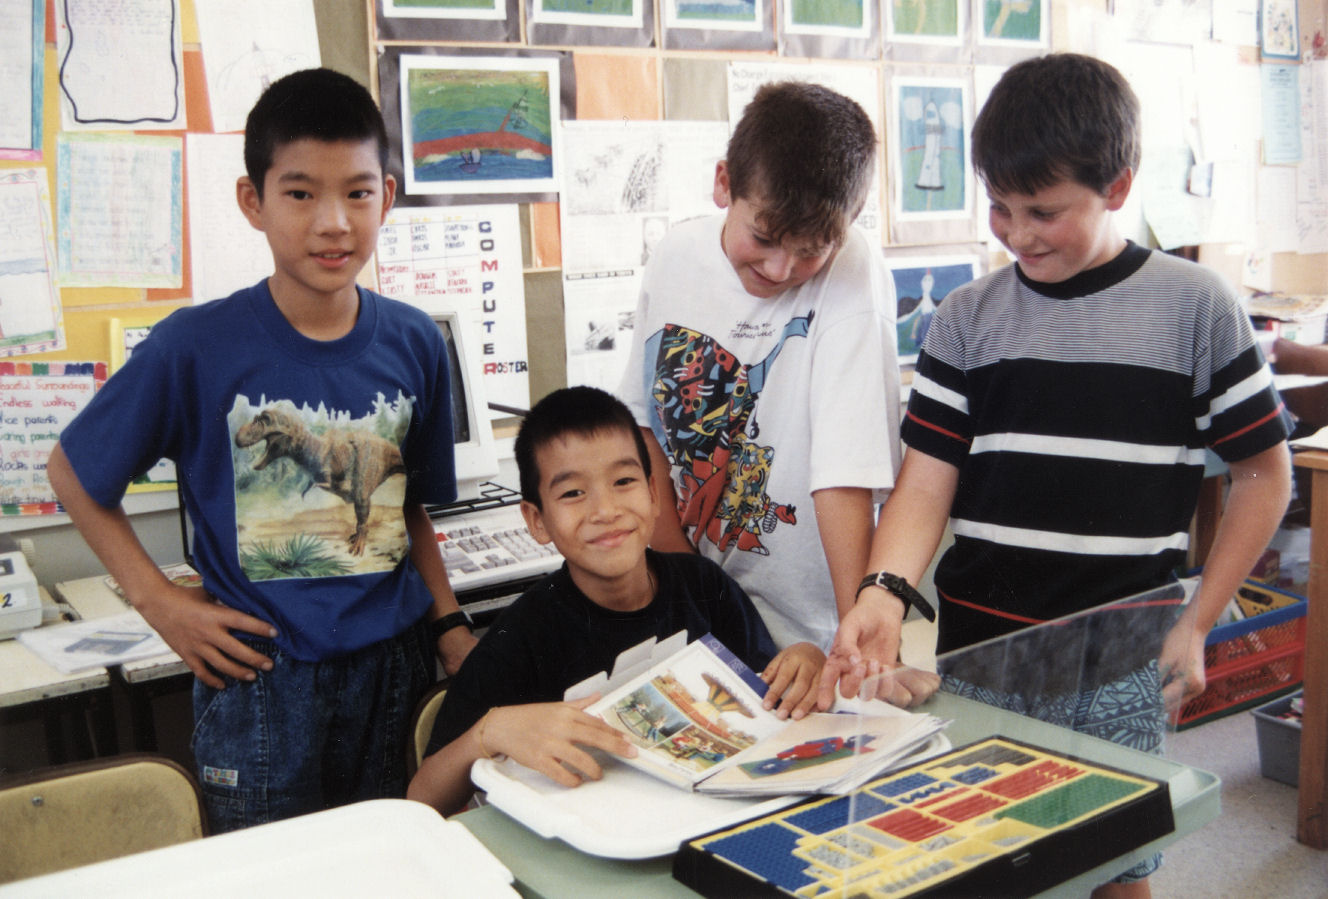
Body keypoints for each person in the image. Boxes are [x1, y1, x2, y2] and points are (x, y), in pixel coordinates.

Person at [819, 53, 1291, 897]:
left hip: (1121, 654)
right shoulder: (965, 318)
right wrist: (882, 591)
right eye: (999, 208)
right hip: (983, 652)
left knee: (1115, 860)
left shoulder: (1197, 306)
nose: (1018, 232)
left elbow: (1264, 475)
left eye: (1043, 210)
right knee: (983, 849)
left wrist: (1198, 619)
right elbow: (927, 480)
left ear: (1118, 185)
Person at [47, 68, 476, 832]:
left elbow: (403, 508)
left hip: (394, 668)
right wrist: (160, 604)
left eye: (358, 191)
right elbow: (75, 472)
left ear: (389, 193)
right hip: (263, 685)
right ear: (254, 201)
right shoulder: (196, 345)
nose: (334, 223)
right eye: (301, 192)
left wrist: (449, 625)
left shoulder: (414, 342)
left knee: (392, 864)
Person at [407, 386, 825, 816]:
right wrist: (487, 733)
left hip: (700, 819)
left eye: (623, 482)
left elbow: (769, 693)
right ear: (537, 520)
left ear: (654, 494)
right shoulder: (518, 640)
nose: (605, 510)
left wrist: (805, 660)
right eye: (572, 493)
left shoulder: (704, 585)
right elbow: (421, 801)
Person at [617, 81, 902, 654]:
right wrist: (685, 586)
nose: (781, 267)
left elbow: (844, 469)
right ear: (724, 183)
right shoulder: (675, 257)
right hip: (698, 602)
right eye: (765, 237)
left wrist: (858, 644)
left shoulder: (853, 270)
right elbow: (643, 423)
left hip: (810, 628)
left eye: (811, 249)